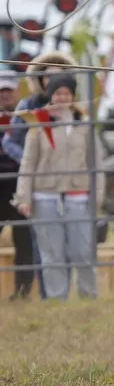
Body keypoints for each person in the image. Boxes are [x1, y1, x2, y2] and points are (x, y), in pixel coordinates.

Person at [12, 74, 104, 300]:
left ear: (73, 95)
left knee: (83, 251)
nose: (62, 97)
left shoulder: (84, 122)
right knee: (51, 254)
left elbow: (97, 163)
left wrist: (98, 197)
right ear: (51, 95)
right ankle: (56, 298)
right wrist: (23, 196)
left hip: (78, 195)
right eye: (58, 93)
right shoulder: (40, 122)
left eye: (66, 93)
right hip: (45, 195)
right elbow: (28, 162)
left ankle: (88, 296)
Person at [0, 71, 34, 300]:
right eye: (1, 91)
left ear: (17, 91)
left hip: (20, 184)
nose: (4, 95)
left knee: (24, 240)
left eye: (8, 91)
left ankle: (23, 291)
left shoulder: (27, 117)